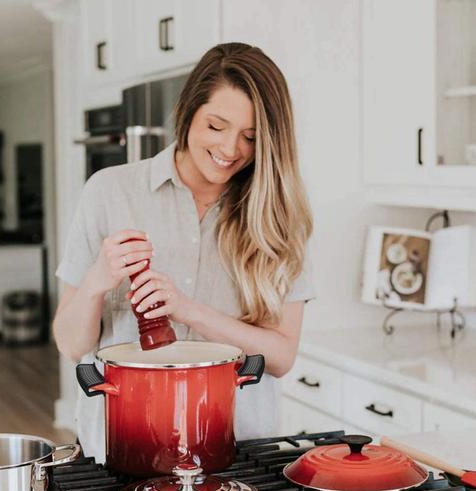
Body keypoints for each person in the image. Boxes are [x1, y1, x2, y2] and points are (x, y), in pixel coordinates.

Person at [53, 42, 314, 463]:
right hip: (123, 450)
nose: (231, 149)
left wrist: (186, 309)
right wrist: (97, 281)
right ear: (188, 112)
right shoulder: (109, 191)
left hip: (237, 453)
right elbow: (69, 343)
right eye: (216, 126)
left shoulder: (278, 216)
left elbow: (281, 358)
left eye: (250, 137)